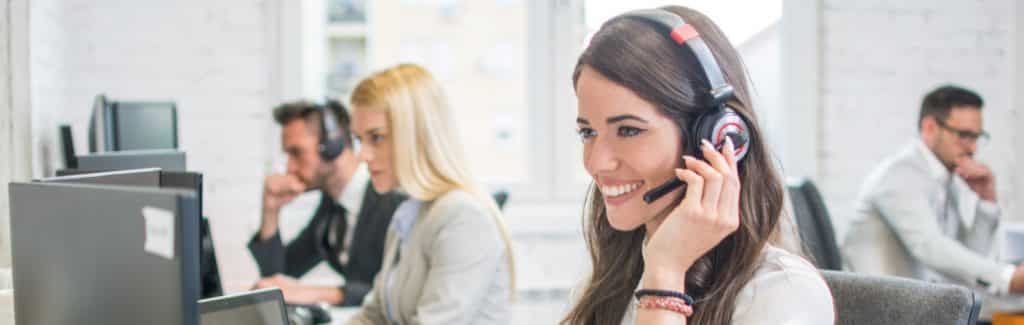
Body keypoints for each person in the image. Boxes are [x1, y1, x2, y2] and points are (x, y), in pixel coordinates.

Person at [562, 6, 834, 325]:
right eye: (588, 132)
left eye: (629, 130)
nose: (597, 162)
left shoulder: (782, 294)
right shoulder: (614, 276)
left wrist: (666, 275)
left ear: (716, 138)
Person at [345, 63, 516, 325]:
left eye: (376, 138)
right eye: (359, 139)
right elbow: (374, 315)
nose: (363, 155)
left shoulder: (462, 217)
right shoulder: (408, 215)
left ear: (416, 136)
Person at [844, 85, 1024, 302]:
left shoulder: (943, 178)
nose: (973, 149)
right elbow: (931, 247)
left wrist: (986, 203)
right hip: (878, 312)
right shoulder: (900, 175)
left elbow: (962, 264)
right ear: (929, 127)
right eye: (964, 135)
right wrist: (1007, 278)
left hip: (913, 309)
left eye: (977, 137)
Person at [249, 100, 406, 306]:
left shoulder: (394, 200)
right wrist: (270, 210)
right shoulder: (331, 208)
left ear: (333, 146)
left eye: (296, 153)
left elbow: (403, 291)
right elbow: (278, 278)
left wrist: (320, 293)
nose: (289, 167)